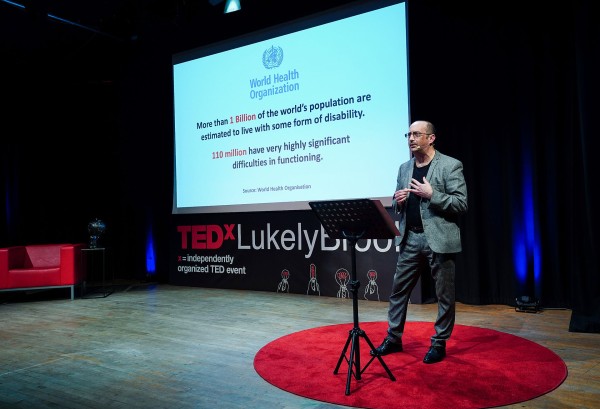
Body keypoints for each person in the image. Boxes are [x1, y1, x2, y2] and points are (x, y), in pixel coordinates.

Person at [370, 120, 468, 364]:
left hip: (438, 239)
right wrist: (399, 200)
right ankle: (393, 338)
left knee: (444, 295)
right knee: (398, 292)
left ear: (431, 138)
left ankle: (439, 343)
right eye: (409, 134)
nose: (411, 138)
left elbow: (461, 203)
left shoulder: (450, 165)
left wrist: (433, 195)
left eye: (416, 134)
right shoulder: (405, 168)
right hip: (410, 238)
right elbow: (397, 203)